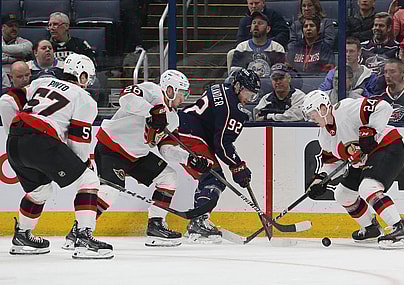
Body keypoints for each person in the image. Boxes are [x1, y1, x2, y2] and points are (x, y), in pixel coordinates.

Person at [62, 69, 212, 248]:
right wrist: (152, 111)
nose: (184, 98)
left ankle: (155, 225)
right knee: (110, 191)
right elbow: (125, 99)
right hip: (112, 148)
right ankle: (79, 231)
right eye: (182, 93)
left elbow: (165, 149)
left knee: (169, 177)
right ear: (170, 90)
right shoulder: (151, 91)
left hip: (137, 156)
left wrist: (189, 159)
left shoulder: (173, 119)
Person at [0, 53, 114, 259]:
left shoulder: (41, 82)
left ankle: (23, 235)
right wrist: (85, 167)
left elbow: (6, 100)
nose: (89, 82)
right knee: (88, 181)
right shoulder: (84, 99)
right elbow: (78, 143)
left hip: (16, 141)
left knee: (40, 191)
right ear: (82, 76)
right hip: (41, 141)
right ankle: (83, 238)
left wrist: (14, 133)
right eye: (88, 77)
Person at [302, 90, 404, 249]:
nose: (311, 118)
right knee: (342, 194)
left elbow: (384, 107)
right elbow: (332, 163)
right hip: (363, 160)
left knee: (368, 187)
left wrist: (371, 131)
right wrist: (321, 180)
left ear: (323, 108)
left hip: (388, 146)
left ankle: (400, 229)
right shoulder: (324, 136)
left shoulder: (346, 109)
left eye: (312, 113)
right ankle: (371, 228)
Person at [176, 69, 261, 243]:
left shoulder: (219, 88)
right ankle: (198, 223)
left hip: (182, 126)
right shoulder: (234, 111)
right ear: (238, 86)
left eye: (253, 97)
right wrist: (238, 166)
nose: (249, 100)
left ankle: (198, 219)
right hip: (191, 135)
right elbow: (222, 145)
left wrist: (236, 165)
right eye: (248, 94)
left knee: (209, 175)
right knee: (213, 177)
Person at [230, 12, 286, 78]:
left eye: (260, 23)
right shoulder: (242, 48)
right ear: (250, 28)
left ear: (268, 29)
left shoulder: (277, 48)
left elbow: (280, 75)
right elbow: (234, 73)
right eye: (254, 23)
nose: (256, 25)